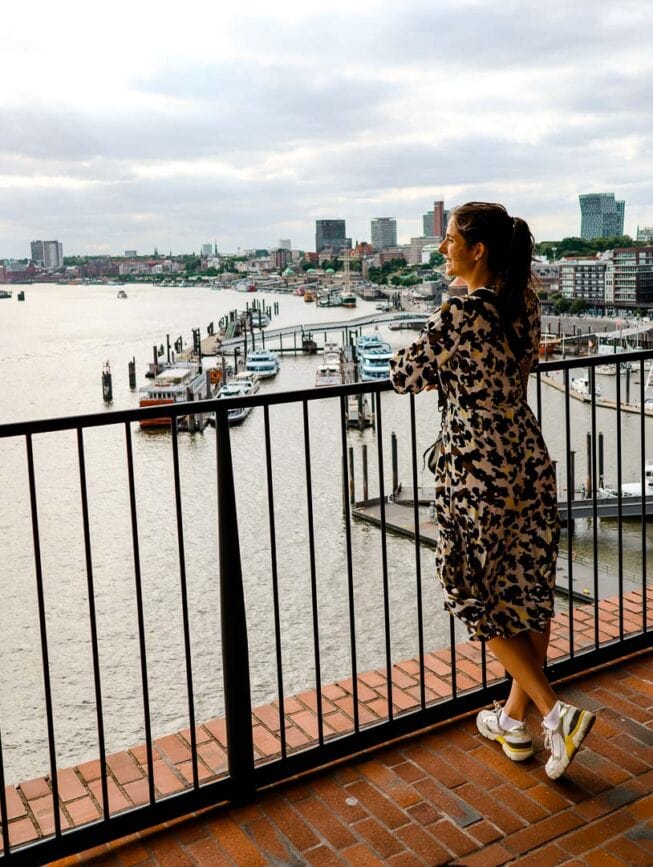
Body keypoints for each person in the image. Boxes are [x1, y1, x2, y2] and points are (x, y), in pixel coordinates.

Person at [389, 202, 595, 780]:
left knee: (468, 591)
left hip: (476, 473)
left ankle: (556, 715)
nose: (442, 248)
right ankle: (512, 719)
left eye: (450, 238)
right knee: (527, 588)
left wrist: (440, 361)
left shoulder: (458, 315)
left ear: (477, 250)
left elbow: (402, 374)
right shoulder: (522, 304)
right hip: (528, 459)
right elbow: (517, 365)